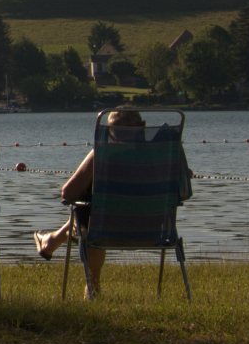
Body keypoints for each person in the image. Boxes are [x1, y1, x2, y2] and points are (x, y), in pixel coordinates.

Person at [32, 109, 192, 299]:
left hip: (104, 232)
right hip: (155, 231)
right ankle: (52, 241)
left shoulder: (101, 153)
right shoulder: (166, 152)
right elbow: (185, 193)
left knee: (86, 207)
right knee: (93, 207)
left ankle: (92, 285)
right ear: (143, 126)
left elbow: (67, 193)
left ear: (108, 132)